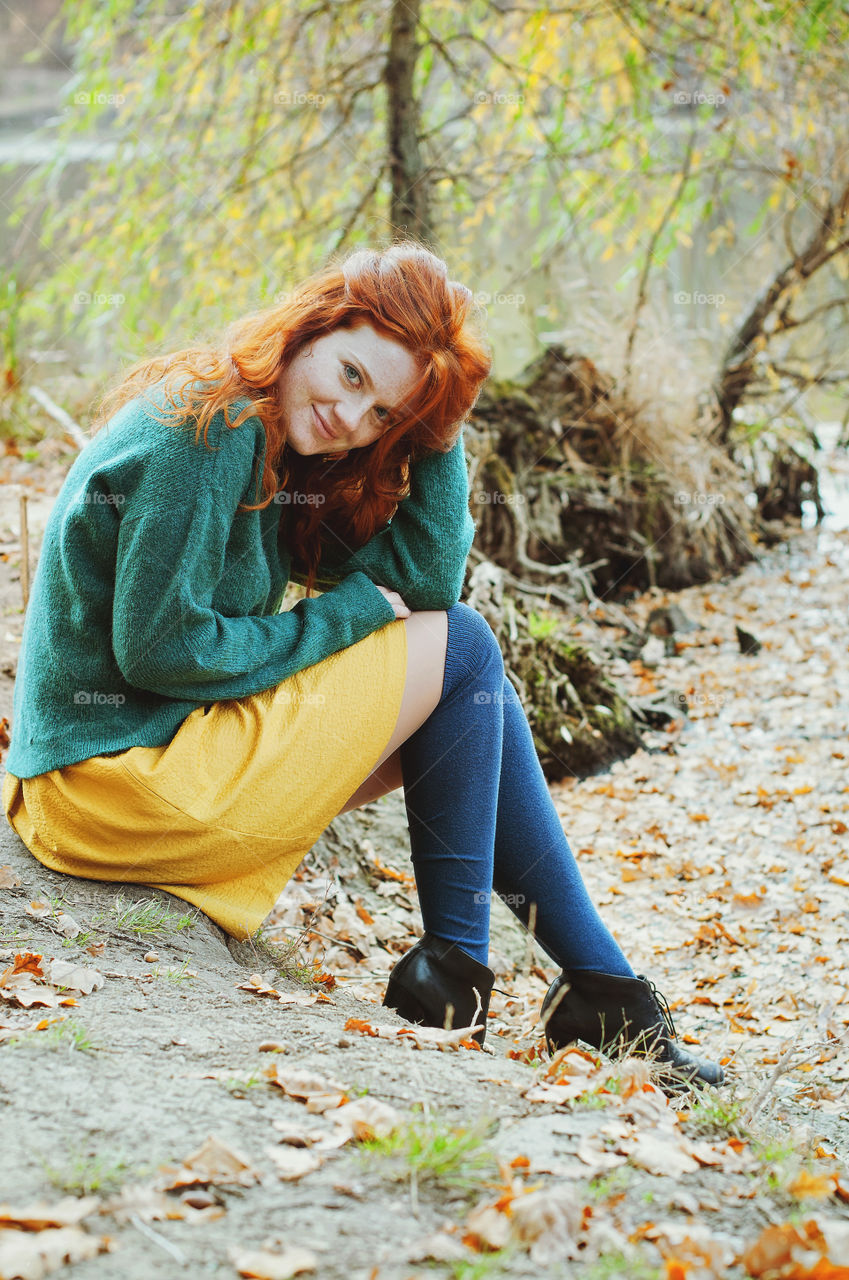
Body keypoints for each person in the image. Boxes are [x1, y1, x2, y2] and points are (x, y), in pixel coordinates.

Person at [2, 241, 723, 1089]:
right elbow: (164, 650)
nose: (352, 419)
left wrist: (441, 432)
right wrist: (341, 615)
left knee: (468, 692)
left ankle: (556, 988)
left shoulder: (275, 443)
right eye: (350, 375)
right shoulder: (212, 429)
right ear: (310, 327)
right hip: (113, 790)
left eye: (383, 414)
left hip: (129, 776)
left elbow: (422, 583)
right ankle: (493, 983)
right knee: (467, 653)